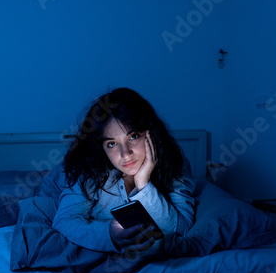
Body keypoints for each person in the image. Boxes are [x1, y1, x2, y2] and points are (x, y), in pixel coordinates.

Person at [52, 87, 196, 253]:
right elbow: (63, 221)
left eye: (133, 137)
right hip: (72, 174)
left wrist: (143, 184)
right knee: (55, 179)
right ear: (102, 148)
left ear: (151, 134)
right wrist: (109, 234)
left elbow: (182, 229)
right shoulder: (89, 172)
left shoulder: (174, 163)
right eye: (112, 144)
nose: (125, 154)